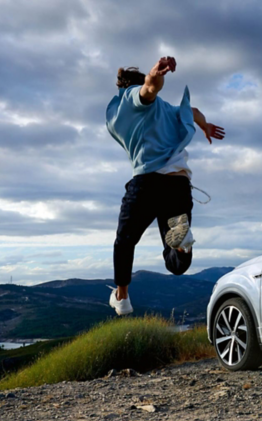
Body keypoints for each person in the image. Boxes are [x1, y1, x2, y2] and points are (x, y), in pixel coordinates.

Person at [105, 56, 225, 315]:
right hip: (179, 186)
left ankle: (122, 296)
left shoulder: (129, 98)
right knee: (176, 265)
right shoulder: (168, 110)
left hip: (147, 183)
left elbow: (148, 89)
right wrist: (204, 126)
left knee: (124, 241)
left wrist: (153, 78)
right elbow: (192, 112)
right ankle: (181, 244)